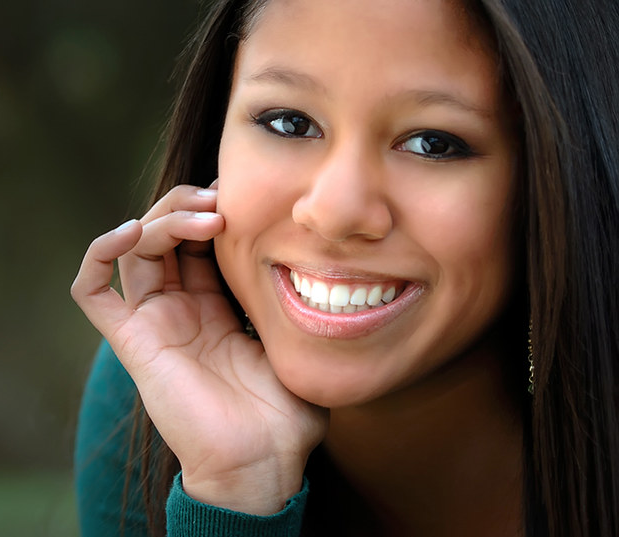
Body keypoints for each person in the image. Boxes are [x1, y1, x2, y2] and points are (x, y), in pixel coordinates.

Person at [71, 0, 619, 535]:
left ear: (559, 181)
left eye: (434, 143)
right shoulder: (165, 387)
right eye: (289, 122)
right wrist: (235, 491)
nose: (334, 213)